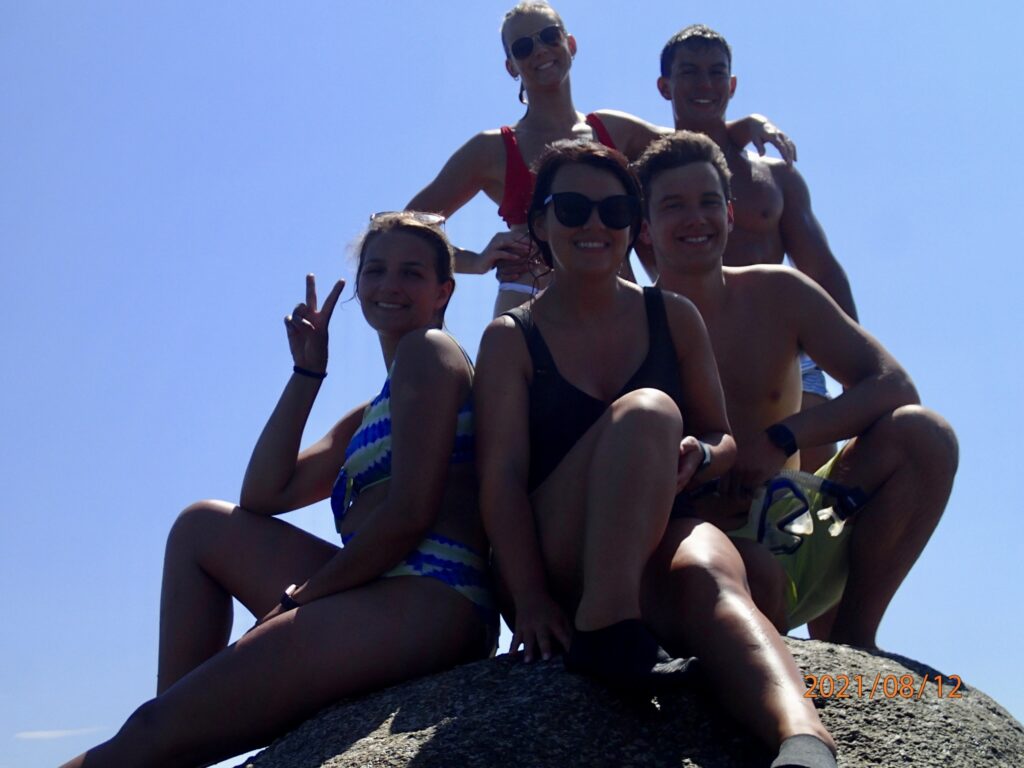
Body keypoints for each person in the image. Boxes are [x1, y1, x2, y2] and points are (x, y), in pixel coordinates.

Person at [61, 213, 497, 768]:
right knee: (201, 526)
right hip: (383, 587)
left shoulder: (430, 353)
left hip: (435, 592)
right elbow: (263, 495)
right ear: (359, 284)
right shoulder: (371, 411)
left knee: (149, 731)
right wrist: (307, 373)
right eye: (376, 270)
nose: (390, 285)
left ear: (444, 291)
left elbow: (410, 513)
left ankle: (168, 735)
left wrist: (303, 597)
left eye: (411, 273)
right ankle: (176, 729)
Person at [476, 140, 838, 768]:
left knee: (720, 580)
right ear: (539, 223)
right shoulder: (513, 338)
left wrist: (703, 452)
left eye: (615, 212)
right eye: (573, 208)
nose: (595, 225)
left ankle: (803, 743)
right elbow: (501, 477)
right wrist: (529, 597)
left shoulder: (672, 315)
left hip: (659, 535)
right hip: (562, 557)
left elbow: (721, 437)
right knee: (648, 410)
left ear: (633, 225)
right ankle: (606, 630)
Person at [636, 130, 958, 648]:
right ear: (645, 227)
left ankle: (857, 645)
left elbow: (894, 384)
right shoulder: (630, 321)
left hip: (795, 521)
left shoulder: (778, 292)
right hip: (696, 545)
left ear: (731, 214)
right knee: (754, 578)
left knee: (926, 435)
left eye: (709, 202)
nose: (695, 218)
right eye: (673, 205)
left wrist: (781, 439)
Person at [407, 2, 793, 317]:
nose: (539, 50)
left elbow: (692, 143)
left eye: (548, 36)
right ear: (511, 66)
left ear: (570, 44)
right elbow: (408, 226)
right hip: (530, 299)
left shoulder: (613, 129)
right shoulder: (491, 149)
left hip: (619, 300)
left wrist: (747, 125)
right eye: (523, 47)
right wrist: (475, 260)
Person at [649, 24, 853, 471]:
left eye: (716, 73)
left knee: (813, 489)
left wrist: (850, 354)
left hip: (783, 347)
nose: (705, 84)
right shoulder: (646, 175)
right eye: (690, 73)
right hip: (687, 345)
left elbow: (821, 265)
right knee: (705, 481)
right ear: (665, 86)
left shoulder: (775, 178)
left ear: (732, 84)